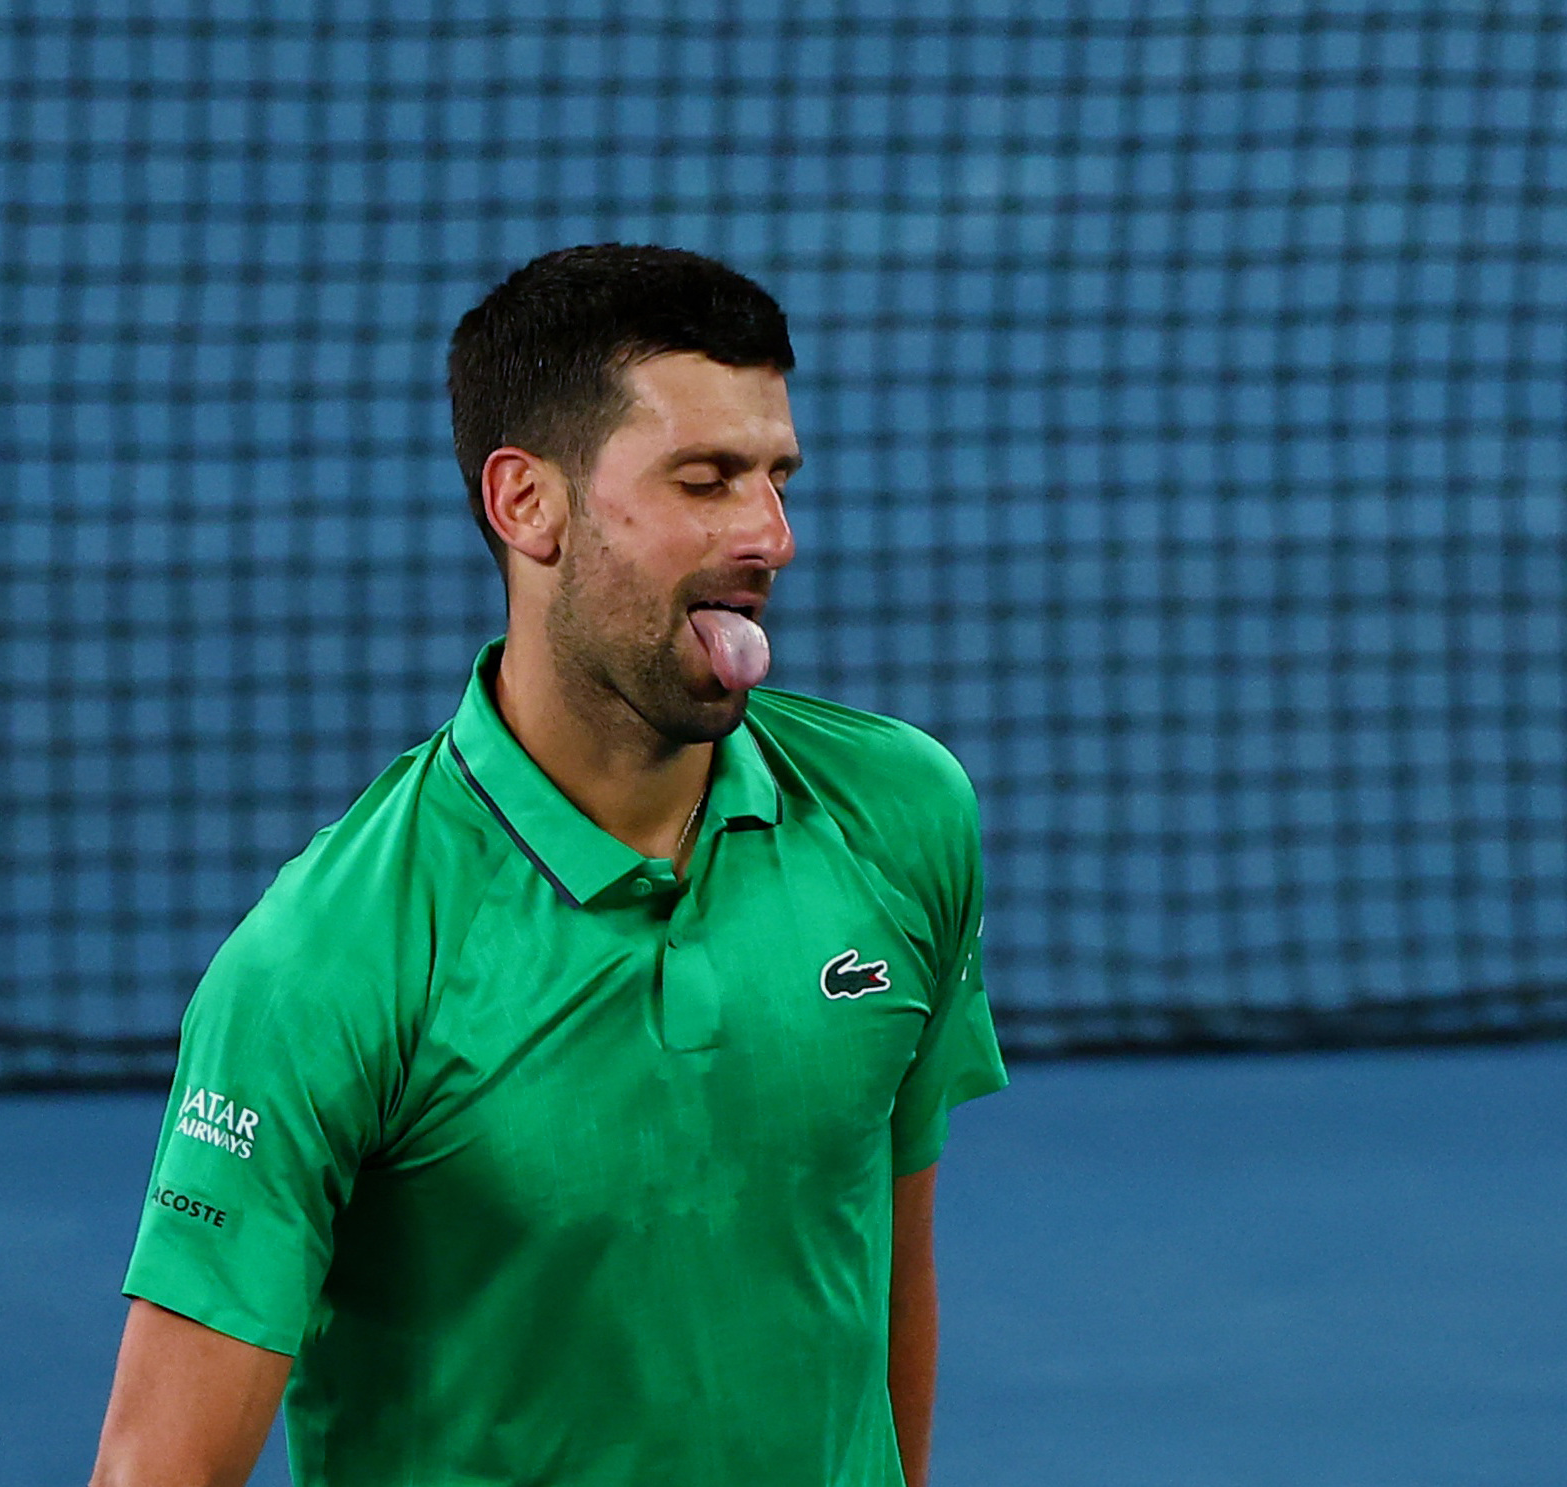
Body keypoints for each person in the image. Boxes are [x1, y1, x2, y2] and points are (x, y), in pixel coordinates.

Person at [88, 244, 1007, 1487]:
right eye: (705, 480)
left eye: (777, 476)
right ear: (528, 503)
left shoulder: (900, 817)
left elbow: (885, 1253)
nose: (770, 536)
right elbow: (162, 1468)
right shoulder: (329, 961)